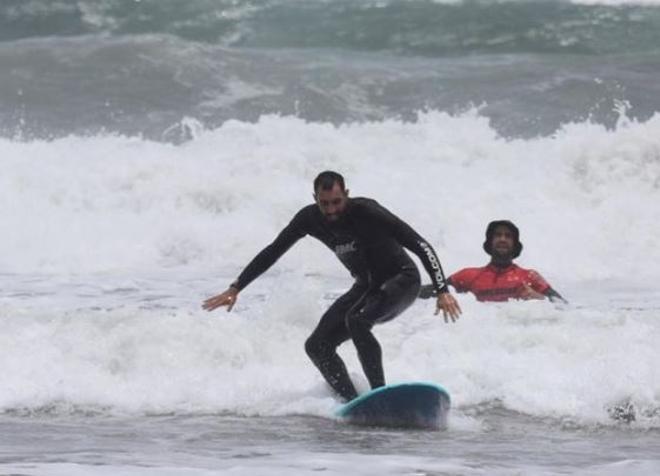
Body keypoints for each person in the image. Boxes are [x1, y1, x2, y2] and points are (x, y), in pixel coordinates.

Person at [203, 171, 461, 402]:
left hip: (402, 279)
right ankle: (352, 403)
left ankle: (380, 395)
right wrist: (236, 287)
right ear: (314, 198)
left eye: (336, 202)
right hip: (366, 286)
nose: (330, 210)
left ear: (346, 195)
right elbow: (273, 251)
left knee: (357, 320)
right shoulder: (309, 219)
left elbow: (420, 244)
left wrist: (442, 290)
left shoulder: (367, 211)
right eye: (323, 203)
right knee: (317, 345)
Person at [419, 220, 566, 303]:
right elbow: (432, 291)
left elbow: (565, 307)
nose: (502, 239)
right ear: (490, 242)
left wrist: (540, 298)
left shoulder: (530, 277)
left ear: (515, 245)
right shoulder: (468, 276)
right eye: (498, 235)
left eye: (508, 236)